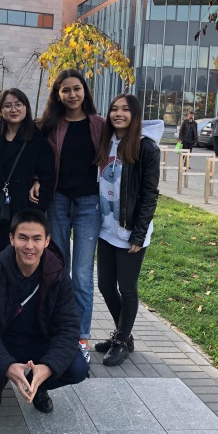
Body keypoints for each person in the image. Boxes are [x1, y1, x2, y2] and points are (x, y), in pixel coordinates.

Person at [0, 209, 89, 414]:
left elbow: (68, 327)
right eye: (23, 238)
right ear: (11, 238)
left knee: (78, 368)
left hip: (41, 342)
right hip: (5, 341)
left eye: (36, 239)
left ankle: (38, 384)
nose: (29, 246)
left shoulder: (58, 275)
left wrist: (48, 367)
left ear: (47, 241)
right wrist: (6, 365)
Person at [36, 69, 105, 363]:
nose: (72, 94)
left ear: (84, 91)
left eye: (77, 88)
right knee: (57, 269)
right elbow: (36, 158)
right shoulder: (50, 125)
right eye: (65, 90)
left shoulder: (99, 124)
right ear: (58, 94)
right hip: (58, 201)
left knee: (82, 276)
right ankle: (58, 332)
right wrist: (36, 180)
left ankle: (81, 337)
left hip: (89, 203)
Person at [95, 94, 161, 367]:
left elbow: (149, 194)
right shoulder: (106, 141)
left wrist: (139, 233)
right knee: (105, 286)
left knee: (127, 288)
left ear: (135, 115)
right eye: (114, 109)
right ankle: (124, 335)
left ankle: (121, 341)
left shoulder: (146, 147)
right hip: (106, 227)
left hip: (130, 229)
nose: (118, 114)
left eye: (125, 109)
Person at [0, 88, 55, 269]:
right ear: (1, 111)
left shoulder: (37, 141)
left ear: (26, 107)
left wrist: (35, 215)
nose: (13, 109)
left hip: (24, 216)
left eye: (18, 104)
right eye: (7, 106)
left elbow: (48, 178)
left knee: (20, 268)